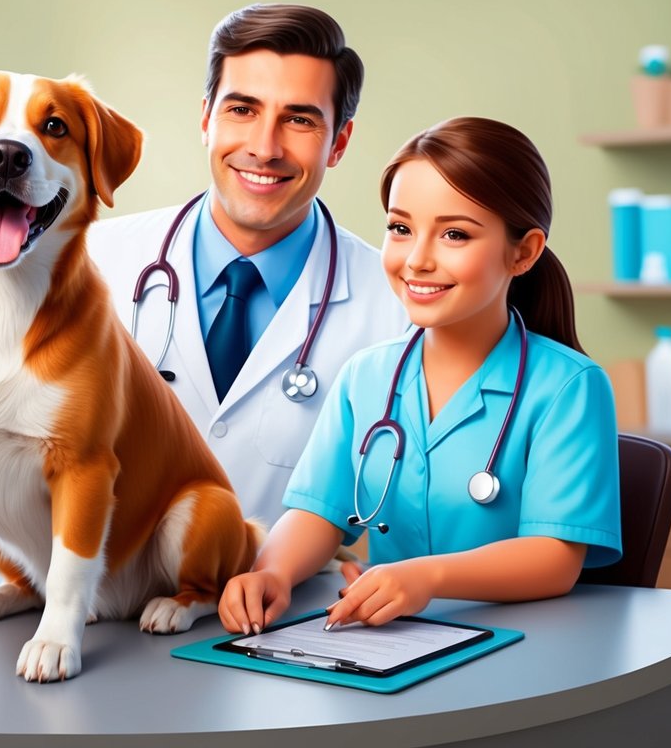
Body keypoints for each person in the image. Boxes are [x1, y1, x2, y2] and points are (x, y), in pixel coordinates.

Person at [219, 117, 622, 635]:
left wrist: (426, 577)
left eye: (455, 234)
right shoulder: (366, 376)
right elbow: (320, 512)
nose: (417, 259)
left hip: (522, 649)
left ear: (523, 251)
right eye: (400, 229)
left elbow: (555, 559)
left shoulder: (569, 387)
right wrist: (272, 572)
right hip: (388, 644)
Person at [88, 4, 408, 526]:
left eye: (299, 119)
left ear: (339, 143)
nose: (264, 148)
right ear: (205, 119)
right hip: (101, 602)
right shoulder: (92, 260)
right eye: (242, 110)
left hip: (291, 605)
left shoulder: (396, 307)